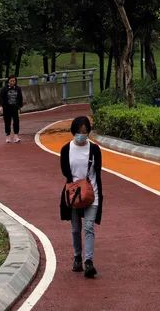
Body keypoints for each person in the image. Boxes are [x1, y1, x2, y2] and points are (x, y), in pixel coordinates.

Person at [59, 116, 103, 278]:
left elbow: (97, 171)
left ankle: (88, 261)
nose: (82, 135)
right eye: (79, 132)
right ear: (73, 131)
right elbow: (65, 171)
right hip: (74, 195)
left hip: (92, 193)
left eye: (85, 132)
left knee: (89, 227)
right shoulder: (66, 149)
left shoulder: (95, 149)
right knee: (76, 228)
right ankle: (77, 257)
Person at [0, 75, 25, 143]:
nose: (12, 82)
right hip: (6, 108)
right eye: (11, 81)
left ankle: (16, 136)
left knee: (16, 121)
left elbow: (20, 98)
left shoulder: (18, 88)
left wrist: (20, 107)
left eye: (14, 81)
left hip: (15, 108)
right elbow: (1, 98)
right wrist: (0, 106)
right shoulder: (4, 89)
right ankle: (8, 136)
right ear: (8, 81)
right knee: (7, 122)